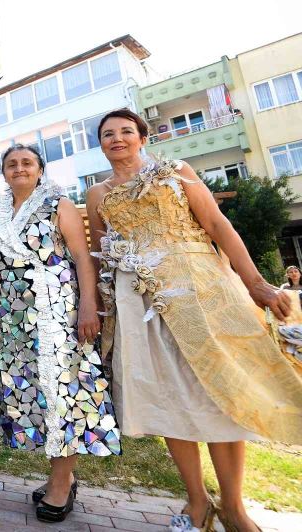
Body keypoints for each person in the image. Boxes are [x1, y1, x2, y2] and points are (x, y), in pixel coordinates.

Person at [85, 108, 302, 532]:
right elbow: (99, 258)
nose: (117, 139)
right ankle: (197, 503)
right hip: (139, 304)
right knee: (168, 398)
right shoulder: (98, 194)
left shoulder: (175, 171)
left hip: (199, 290)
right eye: (108, 134)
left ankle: (235, 508)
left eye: (126, 131)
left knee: (218, 390)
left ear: (142, 138)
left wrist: (255, 283)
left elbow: (218, 225)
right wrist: (95, 305)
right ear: (101, 144)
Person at [0, 145, 121, 523]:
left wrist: (88, 306)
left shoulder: (58, 204)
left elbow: (82, 257)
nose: (19, 168)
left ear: (40, 169)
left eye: (27, 162)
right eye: (12, 164)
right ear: (4, 173)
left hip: (58, 310)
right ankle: (61, 474)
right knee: (37, 393)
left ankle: (61, 484)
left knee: (64, 391)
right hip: (14, 315)